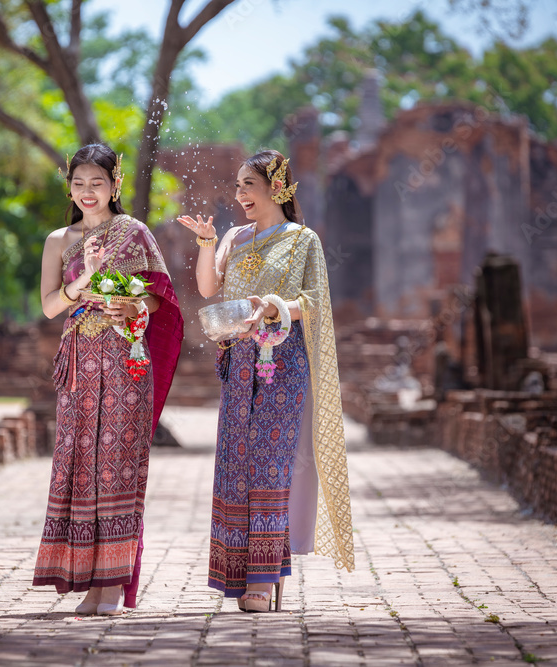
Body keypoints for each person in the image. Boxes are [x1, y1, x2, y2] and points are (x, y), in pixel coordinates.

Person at [178, 149, 353, 612]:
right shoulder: (234, 236)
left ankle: (265, 576)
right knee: (235, 464)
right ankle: (235, 573)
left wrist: (276, 305)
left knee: (272, 462)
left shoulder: (302, 240)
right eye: (236, 186)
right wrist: (206, 242)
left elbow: (313, 301)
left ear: (277, 187)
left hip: (283, 362)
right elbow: (209, 290)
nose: (239, 195)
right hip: (237, 362)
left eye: (248, 185)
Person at [33, 143, 183, 615]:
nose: (87, 192)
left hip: (125, 359)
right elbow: (50, 305)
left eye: (97, 183)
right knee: (80, 464)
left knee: (117, 463)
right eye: (78, 183)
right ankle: (85, 577)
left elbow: (162, 297)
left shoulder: (134, 233)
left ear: (115, 184)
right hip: (79, 363)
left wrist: (136, 303)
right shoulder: (59, 239)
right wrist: (87, 279)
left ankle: (112, 584)